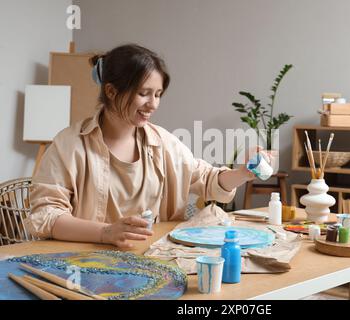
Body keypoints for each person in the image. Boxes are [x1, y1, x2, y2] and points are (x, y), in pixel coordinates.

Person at [25, 44, 261, 248]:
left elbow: (208, 180)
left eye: (158, 94)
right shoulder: (69, 145)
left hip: (152, 260)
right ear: (111, 91)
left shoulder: (164, 143)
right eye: (144, 93)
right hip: (85, 263)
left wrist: (243, 173)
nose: (153, 104)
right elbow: (46, 216)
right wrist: (105, 233)